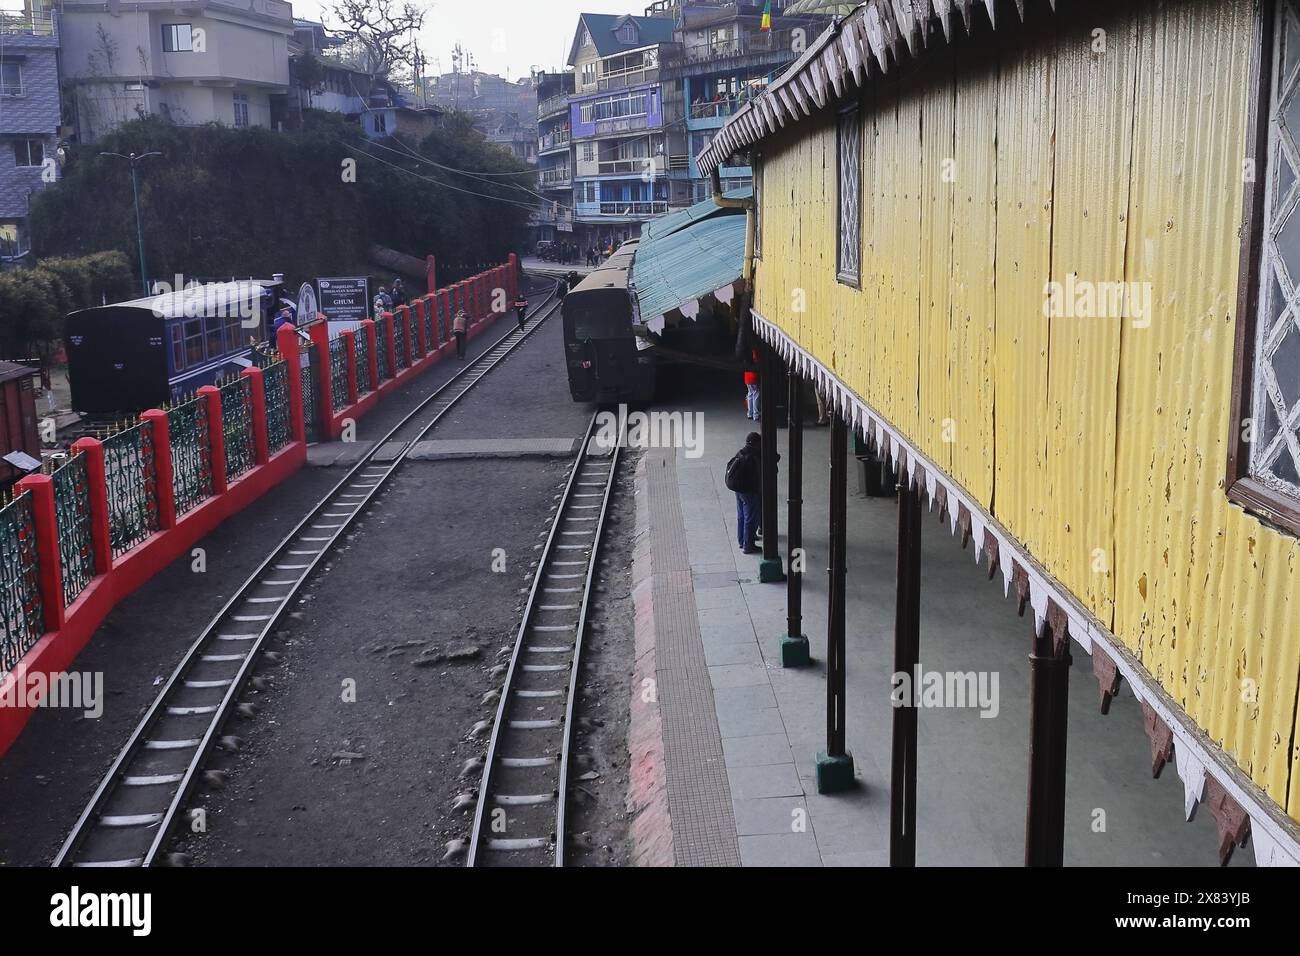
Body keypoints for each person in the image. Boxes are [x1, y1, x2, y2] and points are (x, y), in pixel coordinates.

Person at [725, 433, 763, 554]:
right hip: (749, 492)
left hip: (738, 490)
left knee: (741, 516)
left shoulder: (741, 453)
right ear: (756, 443)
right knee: (750, 519)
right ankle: (749, 545)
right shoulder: (753, 457)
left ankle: (742, 541)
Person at [744, 348, 760, 421]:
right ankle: (756, 414)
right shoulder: (754, 351)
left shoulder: (746, 352)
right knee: (756, 394)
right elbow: (756, 360)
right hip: (753, 374)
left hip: (747, 375)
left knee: (750, 393)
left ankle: (749, 413)